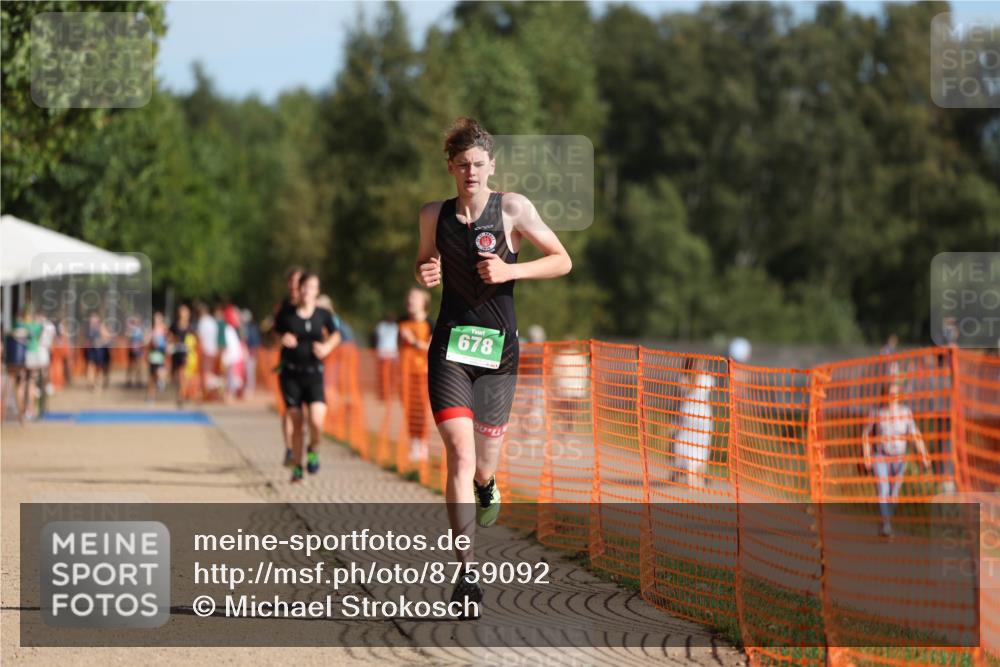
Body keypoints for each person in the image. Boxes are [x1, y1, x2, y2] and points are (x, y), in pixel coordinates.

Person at [414, 118, 571, 612]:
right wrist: (427, 272)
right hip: (450, 347)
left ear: (491, 166)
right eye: (462, 166)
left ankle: (487, 486)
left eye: (478, 165)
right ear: (450, 168)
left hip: (499, 351)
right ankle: (466, 576)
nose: (471, 173)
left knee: (482, 466)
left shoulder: (514, 208)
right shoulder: (431, 215)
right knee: (458, 454)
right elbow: (423, 264)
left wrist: (510, 269)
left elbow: (562, 259)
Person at [274, 272, 342, 483]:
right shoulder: (286, 313)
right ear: (299, 289)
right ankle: (296, 467)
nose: (306, 291)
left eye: (311, 287)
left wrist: (327, 347)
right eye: (303, 286)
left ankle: (313, 450)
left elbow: (336, 335)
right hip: (291, 374)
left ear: (316, 291)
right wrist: (282, 338)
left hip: (314, 375)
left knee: (316, 421)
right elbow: (274, 333)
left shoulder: (323, 314)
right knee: (297, 423)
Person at [862, 382, 931, 538]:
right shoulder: (877, 411)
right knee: (883, 490)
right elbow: (866, 434)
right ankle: (886, 525)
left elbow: (915, 434)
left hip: (899, 458)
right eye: (889, 393)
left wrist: (924, 454)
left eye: (895, 393)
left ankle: (885, 520)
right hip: (880, 456)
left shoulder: (906, 412)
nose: (892, 396)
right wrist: (867, 456)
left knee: (893, 495)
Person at [398, 287, 434, 462]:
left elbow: (433, 349)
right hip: (404, 373)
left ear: (423, 303)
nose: (410, 301)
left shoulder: (430, 324)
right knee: (409, 410)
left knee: (421, 410)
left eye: (414, 298)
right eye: (409, 298)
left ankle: (423, 444)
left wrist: (414, 342)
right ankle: (413, 444)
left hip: (422, 373)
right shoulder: (402, 322)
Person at [274, 267, 303, 467]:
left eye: (297, 282)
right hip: (288, 365)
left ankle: (306, 449)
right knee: (290, 410)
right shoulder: (283, 308)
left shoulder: (314, 307)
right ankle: (290, 449)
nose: (293, 286)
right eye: (291, 281)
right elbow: (273, 333)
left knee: (306, 415)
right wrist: (281, 338)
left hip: (310, 366)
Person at [672, 357, 715, 489]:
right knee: (700, 448)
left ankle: (691, 476)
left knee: (686, 445)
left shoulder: (682, 379)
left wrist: (673, 418)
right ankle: (696, 477)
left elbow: (676, 400)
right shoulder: (708, 379)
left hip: (687, 415)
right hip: (704, 417)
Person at [169, 304, 194, 407]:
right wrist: (172, 342)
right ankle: (179, 392)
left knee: (182, 374)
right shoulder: (174, 325)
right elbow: (169, 336)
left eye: (185, 311)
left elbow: (194, 339)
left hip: (186, 353)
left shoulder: (190, 326)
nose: (183, 313)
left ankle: (181, 396)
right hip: (176, 352)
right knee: (174, 376)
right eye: (181, 311)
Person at [372, 311, 400, 403]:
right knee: (382, 376)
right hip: (382, 354)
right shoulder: (381, 326)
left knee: (391, 376)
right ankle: (383, 394)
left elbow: (398, 339)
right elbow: (376, 338)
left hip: (393, 355)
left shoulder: (396, 327)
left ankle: (390, 393)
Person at [195, 302, 219, 397]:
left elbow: (200, 337)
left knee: (206, 372)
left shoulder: (203, 321)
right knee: (210, 371)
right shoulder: (213, 321)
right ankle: (213, 389)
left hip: (206, 350)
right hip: (213, 350)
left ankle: (210, 390)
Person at [146, 311, 169, 402]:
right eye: (156, 318)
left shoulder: (164, 330)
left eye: (159, 318)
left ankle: (161, 382)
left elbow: (169, 340)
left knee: (160, 372)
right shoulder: (151, 330)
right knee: (152, 377)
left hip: (161, 354)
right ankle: (151, 396)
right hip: (153, 355)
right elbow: (147, 342)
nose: (157, 320)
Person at [243, 308, 262, 396]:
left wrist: (253, 352)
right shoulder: (248, 327)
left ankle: (250, 388)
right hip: (247, 352)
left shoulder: (251, 328)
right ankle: (249, 387)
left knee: (250, 371)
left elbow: (254, 341)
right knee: (248, 371)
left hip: (250, 352)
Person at [125, 316, 145, 388]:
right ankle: (129, 381)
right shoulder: (131, 330)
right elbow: (128, 339)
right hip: (132, 350)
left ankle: (138, 381)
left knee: (139, 366)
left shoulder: (140, 330)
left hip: (139, 350)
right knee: (131, 366)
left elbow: (143, 340)